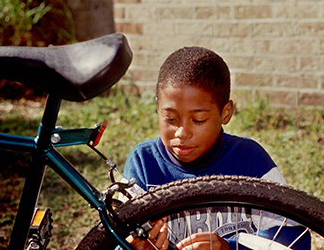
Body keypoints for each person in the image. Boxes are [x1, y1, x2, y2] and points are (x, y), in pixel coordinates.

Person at [122, 47, 310, 250]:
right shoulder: (144, 162)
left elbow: (294, 238)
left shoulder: (249, 159)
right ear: (158, 107)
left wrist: (229, 247)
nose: (182, 133)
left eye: (199, 120)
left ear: (225, 113)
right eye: (170, 119)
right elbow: (112, 237)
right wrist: (132, 246)